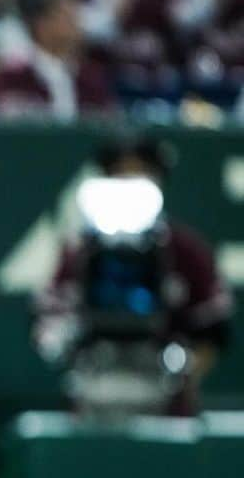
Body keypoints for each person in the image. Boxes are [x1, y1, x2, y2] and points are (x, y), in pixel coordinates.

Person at [33, 135, 233, 415]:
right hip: (93, 395)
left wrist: (184, 377)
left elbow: (214, 330)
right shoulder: (79, 251)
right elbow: (47, 324)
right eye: (120, 172)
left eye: (140, 172)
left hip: (167, 401)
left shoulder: (186, 250)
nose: (129, 181)